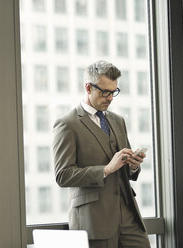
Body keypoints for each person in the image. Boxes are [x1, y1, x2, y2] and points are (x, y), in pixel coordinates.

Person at [53, 60, 151, 248]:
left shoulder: (118, 121)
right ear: (88, 88)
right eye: (105, 92)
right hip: (94, 219)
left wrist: (133, 165)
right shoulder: (67, 124)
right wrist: (106, 169)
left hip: (129, 216)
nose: (110, 98)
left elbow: (125, 170)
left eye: (114, 92)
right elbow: (62, 175)